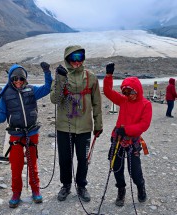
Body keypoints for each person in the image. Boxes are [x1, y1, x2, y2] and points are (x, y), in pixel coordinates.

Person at [0, 62, 52, 208]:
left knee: (32, 165)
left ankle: (36, 191)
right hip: (15, 135)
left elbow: (48, 88)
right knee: (16, 167)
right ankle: (16, 193)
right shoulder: (5, 95)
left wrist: (47, 72)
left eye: (21, 79)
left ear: (25, 79)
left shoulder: (32, 90)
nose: (18, 81)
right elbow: (1, 118)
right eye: (15, 79)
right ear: (11, 79)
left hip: (32, 133)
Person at [50, 45, 103, 202]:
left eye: (80, 57)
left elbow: (97, 103)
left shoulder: (91, 77)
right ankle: (66, 185)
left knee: (83, 158)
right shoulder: (60, 76)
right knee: (65, 159)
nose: (77, 61)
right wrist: (60, 80)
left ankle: (81, 186)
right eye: (73, 58)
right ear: (67, 59)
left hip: (85, 126)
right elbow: (55, 99)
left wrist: (98, 124)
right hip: (64, 126)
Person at [103, 63, 152, 207]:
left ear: (137, 90)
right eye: (125, 92)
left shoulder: (145, 104)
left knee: (134, 170)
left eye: (130, 92)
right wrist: (108, 76)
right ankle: (121, 190)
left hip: (132, 141)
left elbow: (144, 125)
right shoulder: (123, 100)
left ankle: (140, 187)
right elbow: (107, 92)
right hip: (117, 138)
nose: (128, 95)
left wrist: (127, 130)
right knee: (116, 166)